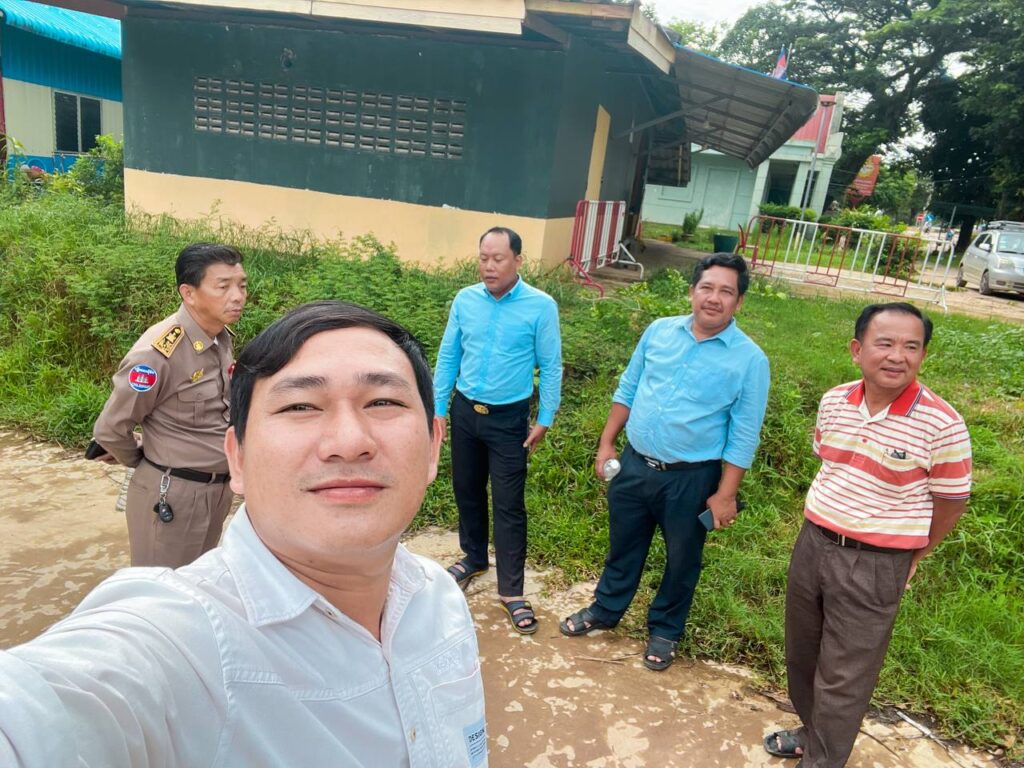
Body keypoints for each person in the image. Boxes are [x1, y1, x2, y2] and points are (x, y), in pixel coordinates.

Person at [0, 301, 487, 767]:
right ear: (237, 455)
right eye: (300, 406)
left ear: (432, 446)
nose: (348, 442)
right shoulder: (179, 644)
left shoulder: (438, 599)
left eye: (383, 401)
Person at [763, 302, 971, 768]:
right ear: (857, 350)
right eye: (885, 343)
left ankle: (822, 761)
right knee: (803, 654)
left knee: (845, 675)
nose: (898, 356)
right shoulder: (834, 400)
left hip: (877, 562)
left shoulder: (942, 422)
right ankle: (812, 733)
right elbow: (830, 462)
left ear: (923, 355)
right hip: (814, 542)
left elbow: (952, 500)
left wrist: (915, 554)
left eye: (911, 346)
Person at [560, 252, 769, 671]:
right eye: (707, 287)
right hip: (635, 465)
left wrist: (725, 494)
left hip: (691, 479)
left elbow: (744, 434)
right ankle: (606, 609)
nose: (714, 298)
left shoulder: (750, 360)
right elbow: (628, 388)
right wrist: (607, 444)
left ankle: (665, 630)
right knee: (624, 544)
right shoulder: (659, 331)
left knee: (682, 559)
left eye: (726, 291)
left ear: (739, 302)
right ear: (692, 291)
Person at [433, 226, 562, 634]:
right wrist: (438, 409)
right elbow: (449, 354)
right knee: (466, 489)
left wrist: (546, 417)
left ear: (518, 261)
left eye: (498, 259)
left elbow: (551, 364)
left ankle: (511, 590)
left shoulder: (540, 307)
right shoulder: (465, 300)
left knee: (508, 503)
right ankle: (473, 557)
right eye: (483, 258)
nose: (489, 267)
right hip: (465, 411)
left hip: (508, 420)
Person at [91, 243, 247, 567]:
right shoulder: (157, 354)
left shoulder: (220, 338)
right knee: (161, 588)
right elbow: (110, 429)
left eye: (241, 285)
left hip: (217, 492)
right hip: (173, 495)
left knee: (198, 584)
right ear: (189, 293)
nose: (237, 296)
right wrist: (147, 462)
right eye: (223, 287)